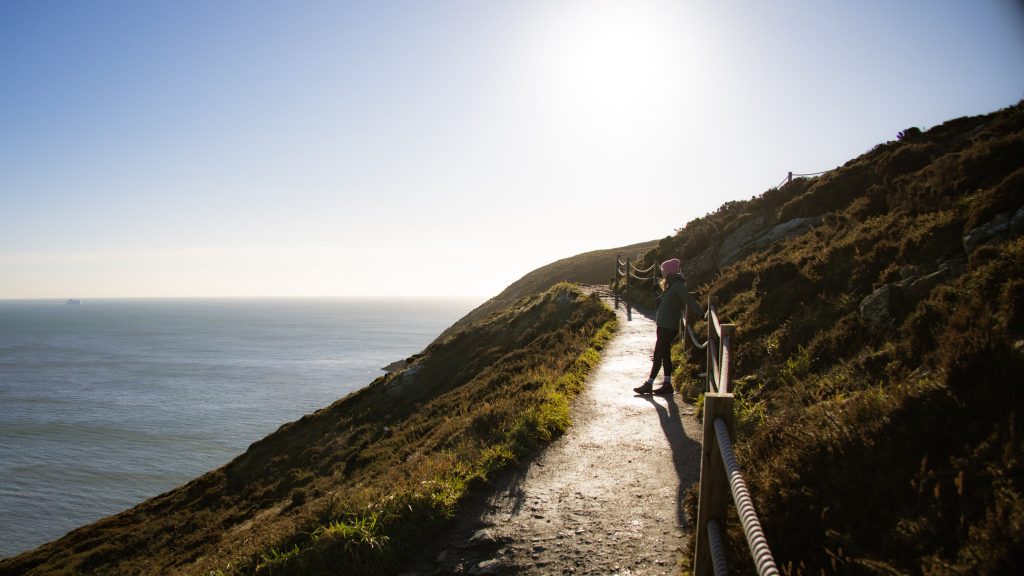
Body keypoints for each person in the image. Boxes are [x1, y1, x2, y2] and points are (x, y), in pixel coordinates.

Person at [634, 258, 703, 395]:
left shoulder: (677, 285)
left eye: (663, 270)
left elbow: (689, 299)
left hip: (668, 326)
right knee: (665, 355)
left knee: (658, 354)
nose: (662, 273)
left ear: (669, 271)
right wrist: (657, 294)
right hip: (663, 325)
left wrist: (701, 313)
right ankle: (667, 384)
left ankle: (649, 383)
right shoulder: (670, 285)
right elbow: (665, 303)